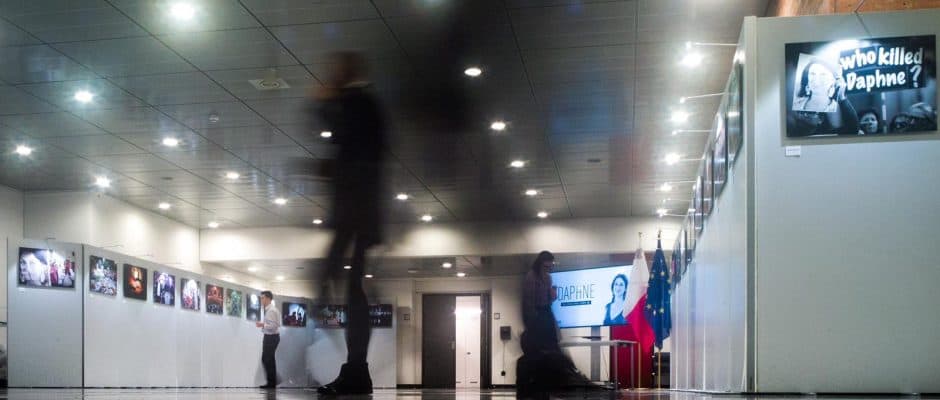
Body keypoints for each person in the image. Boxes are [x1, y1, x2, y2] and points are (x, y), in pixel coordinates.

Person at [310, 51, 388, 395]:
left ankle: (356, 368)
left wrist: (324, 103)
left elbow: (344, 137)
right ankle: (356, 368)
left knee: (345, 284)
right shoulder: (363, 102)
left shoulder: (359, 101)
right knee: (351, 287)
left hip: (355, 210)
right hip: (359, 210)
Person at [517, 251, 593, 399]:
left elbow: (547, 301)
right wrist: (531, 324)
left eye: (550, 266)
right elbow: (528, 303)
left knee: (554, 349)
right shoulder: (531, 277)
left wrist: (552, 297)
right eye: (547, 265)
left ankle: (559, 382)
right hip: (537, 316)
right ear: (541, 263)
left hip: (546, 313)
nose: (549, 268)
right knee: (544, 352)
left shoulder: (548, 278)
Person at [789, 58, 860, 136]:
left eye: (823, 75)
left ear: (833, 81)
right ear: (807, 79)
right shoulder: (797, 104)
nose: (816, 79)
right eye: (812, 74)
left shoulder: (836, 107)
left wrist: (842, 97)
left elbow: (853, 130)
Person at [255, 291, 280, 389]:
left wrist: (262, 325)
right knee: (269, 360)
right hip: (270, 337)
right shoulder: (270, 310)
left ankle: (272, 382)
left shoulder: (271, 311)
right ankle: (272, 382)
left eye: (262, 298)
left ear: (268, 298)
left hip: (271, 337)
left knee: (267, 359)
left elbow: (274, 326)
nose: (261, 300)